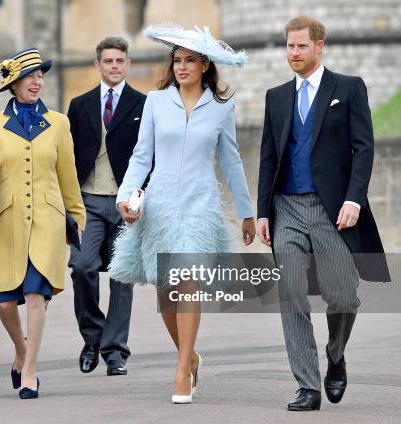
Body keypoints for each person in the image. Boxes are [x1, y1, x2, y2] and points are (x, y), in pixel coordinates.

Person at [109, 24, 255, 404]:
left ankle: (179, 369)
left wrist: (247, 212)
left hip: (200, 204)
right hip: (159, 205)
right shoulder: (156, 103)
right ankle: (190, 357)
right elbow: (142, 157)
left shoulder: (222, 107)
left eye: (190, 60)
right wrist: (125, 196)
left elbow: (232, 161)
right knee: (166, 291)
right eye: (177, 60)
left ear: (206, 65)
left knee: (187, 280)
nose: (182, 67)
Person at [256, 16, 390, 411]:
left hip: (332, 210)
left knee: (342, 295)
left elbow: (363, 148)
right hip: (286, 208)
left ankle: (335, 355)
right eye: (289, 46)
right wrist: (263, 211)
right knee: (291, 292)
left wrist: (353, 200)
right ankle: (307, 386)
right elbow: (268, 157)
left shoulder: (347, 89)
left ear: (319, 46)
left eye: (301, 46)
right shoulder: (275, 96)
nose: (293, 53)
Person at [0, 47, 85, 399]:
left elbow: (68, 174)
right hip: (7, 222)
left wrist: (76, 217)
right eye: (29, 76)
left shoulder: (59, 123)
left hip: (48, 220)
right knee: (6, 304)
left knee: (37, 296)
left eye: (40, 75)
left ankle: (30, 373)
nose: (37, 82)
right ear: (13, 84)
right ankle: (21, 352)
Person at [67, 37, 146, 376]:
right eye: (108, 61)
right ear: (97, 65)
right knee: (82, 266)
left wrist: (141, 198)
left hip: (125, 201)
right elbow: (68, 158)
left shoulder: (143, 105)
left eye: (120, 61)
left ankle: (116, 352)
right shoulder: (80, 104)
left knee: (122, 276)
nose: (115, 66)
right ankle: (93, 337)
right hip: (88, 200)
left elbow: (151, 155)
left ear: (127, 64)